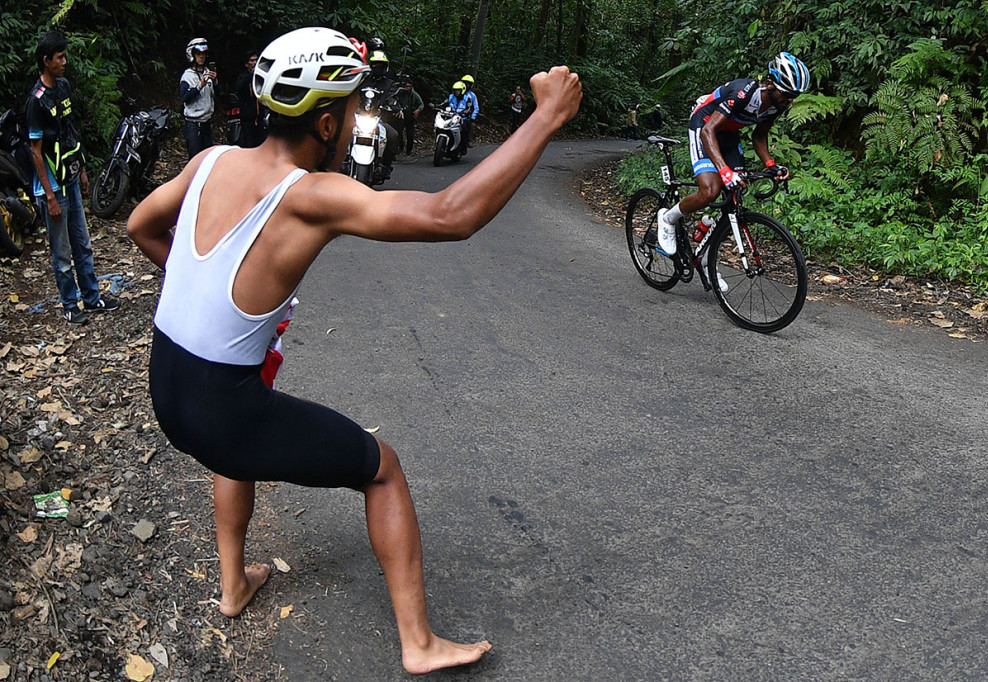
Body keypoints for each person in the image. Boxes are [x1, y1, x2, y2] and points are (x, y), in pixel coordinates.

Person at [125, 26, 581, 674]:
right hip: (222, 411)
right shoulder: (311, 196)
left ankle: (233, 585)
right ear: (328, 121)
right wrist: (547, 116)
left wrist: (205, 301)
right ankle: (419, 644)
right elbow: (453, 215)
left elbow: (140, 224)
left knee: (237, 439)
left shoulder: (212, 161)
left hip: (168, 391)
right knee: (383, 469)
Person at [657, 52, 809, 289]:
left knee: (736, 194)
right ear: (770, 84)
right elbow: (709, 132)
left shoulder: (776, 105)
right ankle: (668, 218)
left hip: (728, 133)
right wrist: (724, 170)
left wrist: (771, 165)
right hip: (705, 125)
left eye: (794, 97)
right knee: (710, 190)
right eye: (787, 94)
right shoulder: (744, 91)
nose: (789, 101)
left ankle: (707, 255)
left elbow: (759, 136)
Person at [26, 30, 120, 324]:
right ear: (46, 61)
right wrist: (50, 196)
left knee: (83, 243)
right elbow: (36, 152)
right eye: (59, 57)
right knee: (62, 252)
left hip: (71, 177)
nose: (65, 62)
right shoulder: (36, 101)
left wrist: (82, 171)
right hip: (53, 186)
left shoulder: (64, 87)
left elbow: (69, 131)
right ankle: (70, 305)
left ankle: (92, 298)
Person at [179, 38, 219, 158]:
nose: (201, 57)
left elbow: (218, 94)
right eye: (198, 54)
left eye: (203, 54)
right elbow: (185, 97)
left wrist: (215, 81)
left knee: (207, 158)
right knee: (195, 158)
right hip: (193, 124)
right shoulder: (188, 76)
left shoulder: (208, 72)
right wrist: (199, 86)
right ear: (192, 55)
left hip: (206, 122)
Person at [233, 50, 266, 148]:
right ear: (246, 64)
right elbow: (238, 89)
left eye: (256, 60)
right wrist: (250, 76)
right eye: (251, 61)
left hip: (260, 118)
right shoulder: (243, 77)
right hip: (247, 119)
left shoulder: (261, 76)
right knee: (249, 145)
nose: (254, 63)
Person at [395, 78, 423, 155]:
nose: (407, 88)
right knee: (399, 133)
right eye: (406, 86)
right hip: (402, 115)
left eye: (409, 86)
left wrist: (418, 110)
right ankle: (400, 147)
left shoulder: (414, 95)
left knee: (410, 135)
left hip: (410, 116)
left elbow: (421, 104)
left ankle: (409, 151)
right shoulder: (400, 92)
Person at [460, 74, 480, 151]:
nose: (466, 85)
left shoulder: (472, 95)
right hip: (456, 114)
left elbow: (476, 107)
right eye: (465, 82)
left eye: (468, 83)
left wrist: (473, 117)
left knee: (471, 124)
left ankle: (469, 140)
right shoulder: (457, 91)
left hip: (467, 114)